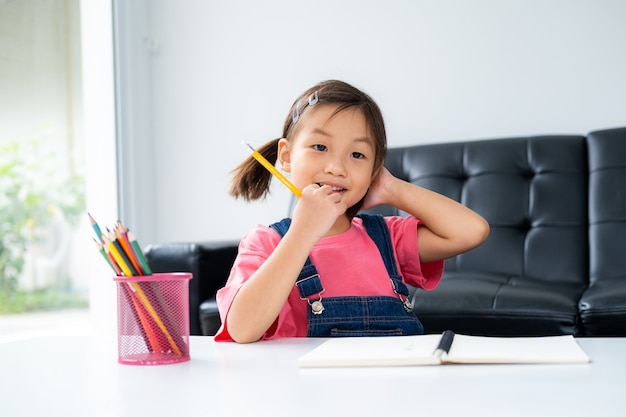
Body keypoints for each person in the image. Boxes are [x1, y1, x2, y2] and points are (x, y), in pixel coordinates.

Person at [215, 80, 489, 343]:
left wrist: (392, 188)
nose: (337, 167)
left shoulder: (387, 238)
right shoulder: (267, 243)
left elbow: (472, 231)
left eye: (357, 155)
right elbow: (242, 329)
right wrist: (303, 232)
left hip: (394, 387)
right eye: (320, 147)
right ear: (286, 156)